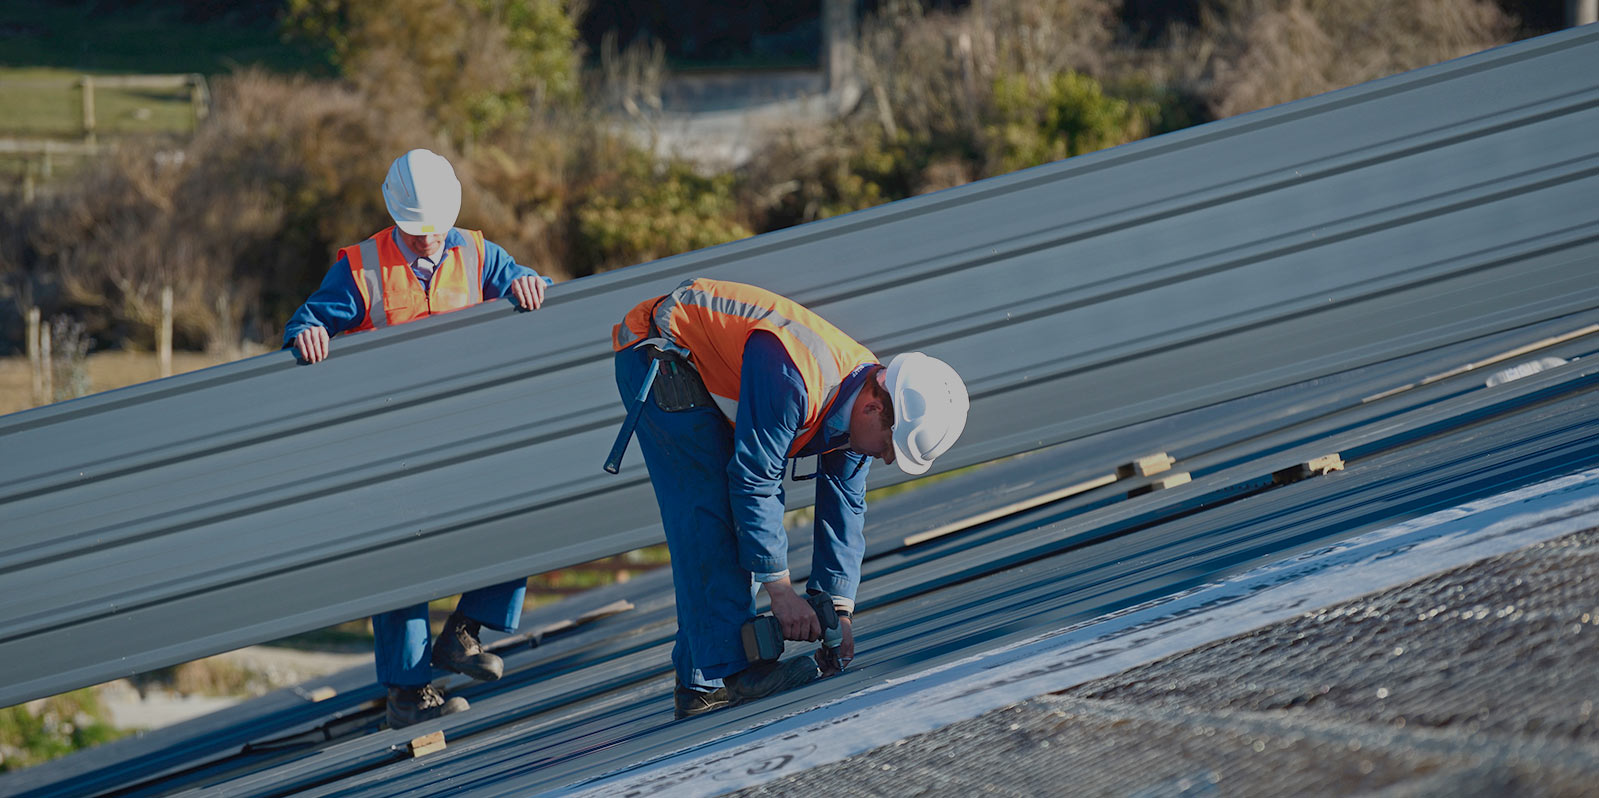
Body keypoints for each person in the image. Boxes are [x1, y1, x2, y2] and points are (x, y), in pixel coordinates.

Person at [610, 278, 969, 718]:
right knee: (713, 512)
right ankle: (732, 672)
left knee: (744, 521)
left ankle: (702, 679)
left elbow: (845, 503)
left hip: (700, 363)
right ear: (875, 408)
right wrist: (781, 591)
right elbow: (754, 481)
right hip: (660, 354)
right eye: (889, 447)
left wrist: (838, 608)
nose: (887, 460)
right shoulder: (796, 376)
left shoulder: (863, 398)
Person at [283, 148, 550, 729]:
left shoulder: (479, 252)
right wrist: (307, 334)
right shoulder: (361, 267)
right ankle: (409, 695)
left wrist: (530, 283)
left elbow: (529, 284)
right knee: (401, 561)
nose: (427, 239)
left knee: (523, 511)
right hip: (392, 442)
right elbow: (307, 321)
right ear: (395, 217)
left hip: (467, 431)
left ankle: (464, 632)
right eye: (415, 230)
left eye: (435, 229)